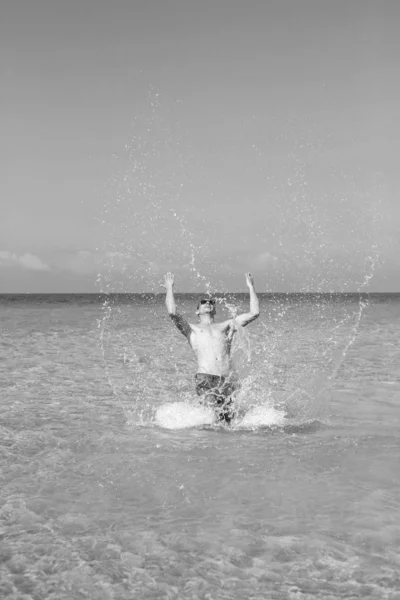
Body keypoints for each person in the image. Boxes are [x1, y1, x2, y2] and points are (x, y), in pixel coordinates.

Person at [162, 272, 260, 424]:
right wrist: (169, 287)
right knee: (210, 418)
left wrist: (251, 287)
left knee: (229, 423)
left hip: (227, 379)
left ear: (215, 310)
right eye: (203, 302)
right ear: (197, 311)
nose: (208, 303)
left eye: (211, 302)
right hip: (206, 378)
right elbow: (172, 312)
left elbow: (254, 313)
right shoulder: (191, 329)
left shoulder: (227, 325)